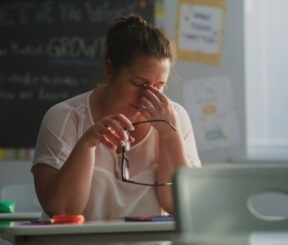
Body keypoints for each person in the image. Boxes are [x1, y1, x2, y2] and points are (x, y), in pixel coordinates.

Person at [32, 14, 201, 221]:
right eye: (139, 84)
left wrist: (169, 134)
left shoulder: (176, 117)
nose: (148, 97)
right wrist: (87, 144)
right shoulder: (65, 117)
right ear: (109, 71)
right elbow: (63, 210)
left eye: (159, 86)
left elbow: (182, 206)